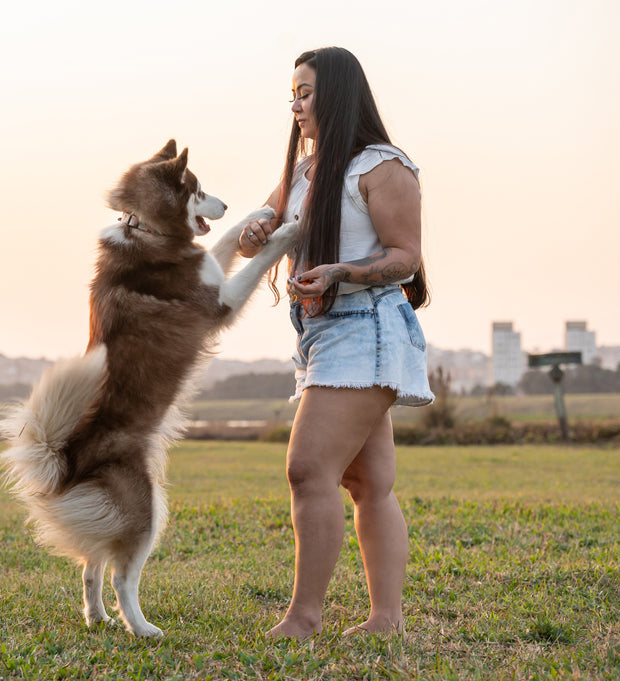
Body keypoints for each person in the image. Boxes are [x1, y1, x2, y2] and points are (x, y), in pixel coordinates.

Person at [237, 47, 434, 640]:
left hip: (365, 326)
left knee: (307, 468)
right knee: (368, 483)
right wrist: (254, 230)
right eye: (292, 94)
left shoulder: (382, 167)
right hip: (320, 332)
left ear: (339, 94)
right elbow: (263, 233)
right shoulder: (304, 171)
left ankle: (304, 617)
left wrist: (341, 271)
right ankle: (386, 619)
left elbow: (406, 258)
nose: (296, 104)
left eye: (306, 92)